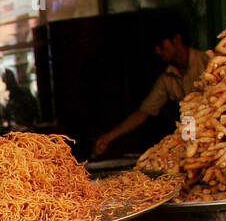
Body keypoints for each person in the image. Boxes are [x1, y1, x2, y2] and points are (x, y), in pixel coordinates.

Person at [91, 22, 212, 157]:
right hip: (191, 143)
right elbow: (144, 112)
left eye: (161, 45)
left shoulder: (208, 61)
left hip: (214, 138)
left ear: (176, 39)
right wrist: (108, 137)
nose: (157, 51)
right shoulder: (167, 77)